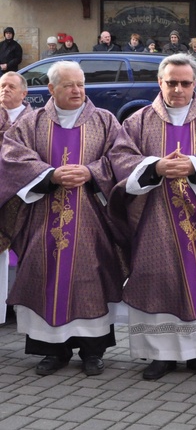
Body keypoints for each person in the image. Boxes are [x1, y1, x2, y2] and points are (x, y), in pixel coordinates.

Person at [110, 53, 196, 380]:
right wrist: (154, 166)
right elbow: (121, 156)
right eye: (172, 83)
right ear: (160, 82)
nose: (179, 89)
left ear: (194, 84)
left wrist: (195, 165)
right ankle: (159, 355)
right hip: (153, 220)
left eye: (185, 83)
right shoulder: (138, 121)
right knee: (157, 281)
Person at [0, 61, 135, 376]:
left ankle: (93, 352)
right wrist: (50, 174)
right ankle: (52, 351)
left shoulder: (105, 121)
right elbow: (11, 157)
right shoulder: (30, 124)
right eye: (69, 85)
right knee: (44, 276)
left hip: (91, 219)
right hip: (42, 217)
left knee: (91, 278)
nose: (77, 91)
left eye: (81, 84)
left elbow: (121, 158)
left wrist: (91, 171)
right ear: (51, 89)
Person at [0, 71, 32, 323]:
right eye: (1, 86)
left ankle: (16, 302)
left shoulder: (33, 120)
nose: (4, 90)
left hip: (24, 195)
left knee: (24, 247)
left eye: (10, 86)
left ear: (24, 93)